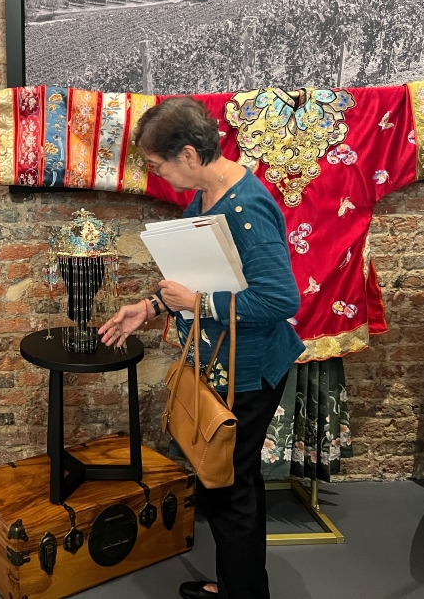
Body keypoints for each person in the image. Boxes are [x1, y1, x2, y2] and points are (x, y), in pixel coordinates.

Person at [98, 97, 304, 599]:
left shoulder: (246, 207)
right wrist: (148, 307)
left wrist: (199, 302)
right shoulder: (209, 196)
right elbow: (197, 270)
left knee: (231, 490)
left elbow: (281, 298)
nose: (158, 174)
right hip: (228, 366)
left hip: (251, 372)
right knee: (232, 483)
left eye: (157, 164)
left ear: (188, 154)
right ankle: (239, 585)